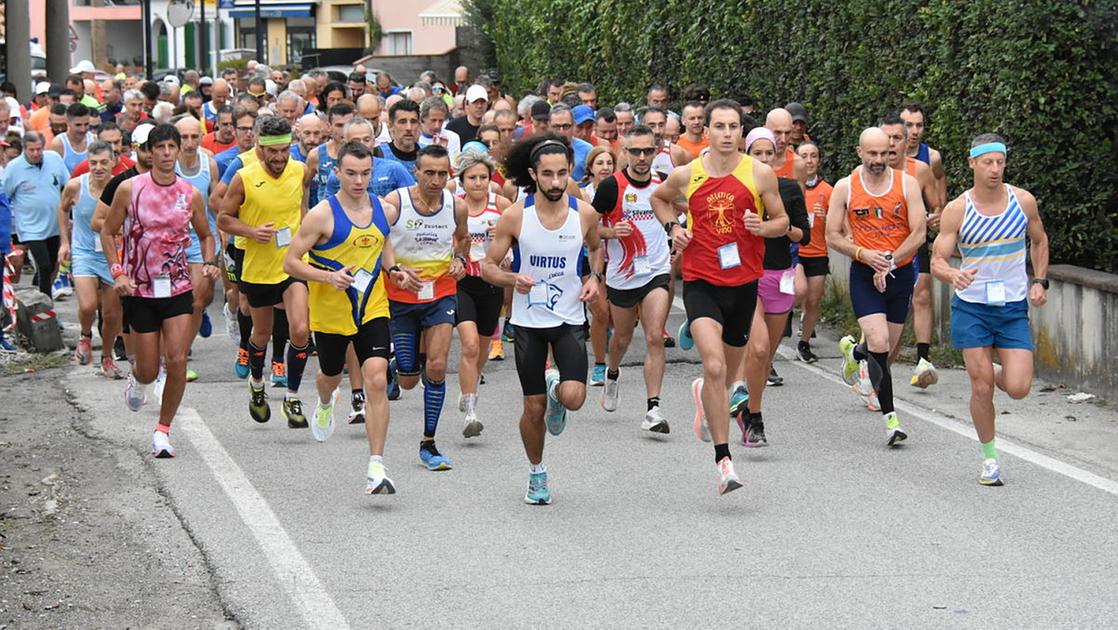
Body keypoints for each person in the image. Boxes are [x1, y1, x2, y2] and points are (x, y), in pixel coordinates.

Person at [651, 99, 788, 495]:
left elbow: (782, 222)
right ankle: (724, 461)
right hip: (701, 281)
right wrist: (673, 227)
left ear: (741, 133)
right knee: (713, 366)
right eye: (720, 126)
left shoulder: (760, 174)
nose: (727, 134)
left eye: (734, 127)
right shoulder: (686, 173)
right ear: (706, 131)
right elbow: (659, 199)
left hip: (743, 285)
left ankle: (706, 397)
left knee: (726, 379)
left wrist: (761, 227)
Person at [481, 134, 602, 504]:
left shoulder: (585, 213)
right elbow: (487, 267)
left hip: (567, 317)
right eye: (547, 174)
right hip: (529, 321)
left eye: (562, 173)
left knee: (575, 397)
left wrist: (593, 278)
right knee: (532, 409)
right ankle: (537, 473)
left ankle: (557, 392)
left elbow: (596, 249)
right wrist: (511, 278)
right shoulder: (516, 215)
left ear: (570, 173)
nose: (554, 182)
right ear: (533, 174)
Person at [931, 134, 1048, 486]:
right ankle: (990, 459)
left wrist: (1040, 280)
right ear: (972, 164)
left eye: (1000, 162)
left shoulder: (1022, 202)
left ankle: (997, 369)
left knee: (1018, 387)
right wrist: (953, 273)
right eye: (987, 162)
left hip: (1011, 307)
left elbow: (1040, 241)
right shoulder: (958, 209)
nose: (995, 169)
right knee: (981, 387)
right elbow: (937, 259)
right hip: (972, 308)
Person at [283, 140, 398, 494]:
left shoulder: (383, 208)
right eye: (351, 173)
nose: (358, 181)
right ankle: (323, 401)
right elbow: (290, 262)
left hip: (372, 307)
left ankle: (375, 466)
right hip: (331, 311)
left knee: (377, 378)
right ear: (337, 173)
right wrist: (327, 277)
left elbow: (384, 246)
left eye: (365, 173)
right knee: (330, 376)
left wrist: (396, 272)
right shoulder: (321, 214)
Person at [100, 123, 219, 458]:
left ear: (179, 151)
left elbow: (206, 233)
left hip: (179, 288)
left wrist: (209, 262)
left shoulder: (189, 193)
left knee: (177, 359)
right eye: (161, 148)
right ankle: (138, 380)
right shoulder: (130, 189)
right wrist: (118, 271)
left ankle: (163, 431)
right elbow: (108, 233)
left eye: (172, 147)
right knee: (149, 369)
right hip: (140, 289)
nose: (167, 154)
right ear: (149, 152)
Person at [826, 127, 927, 446]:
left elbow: (919, 233)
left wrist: (890, 260)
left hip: (899, 273)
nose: (879, 160)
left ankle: (854, 352)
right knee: (880, 341)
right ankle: (891, 419)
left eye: (885, 153)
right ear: (859, 152)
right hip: (864, 274)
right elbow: (832, 236)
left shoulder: (907, 184)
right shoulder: (846, 187)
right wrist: (863, 254)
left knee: (886, 349)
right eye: (872, 154)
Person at [218, 116, 312, 428]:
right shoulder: (244, 178)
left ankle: (293, 397)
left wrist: (306, 237)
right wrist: (251, 230)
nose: (280, 158)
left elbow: (302, 208)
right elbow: (223, 219)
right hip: (258, 268)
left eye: (285, 150)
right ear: (260, 148)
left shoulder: (300, 171)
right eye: (273, 152)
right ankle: (257, 384)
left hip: (293, 263)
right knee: (261, 333)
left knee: (300, 330)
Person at [382, 145, 469, 470]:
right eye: (428, 173)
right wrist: (396, 272)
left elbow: (462, 238)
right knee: (408, 379)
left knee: (436, 366)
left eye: (442, 174)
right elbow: (380, 242)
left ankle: (429, 443)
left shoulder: (456, 205)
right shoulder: (395, 203)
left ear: (450, 175)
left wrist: (460, 260)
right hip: (402, 296)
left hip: (441, 293)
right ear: (415, 172)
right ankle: (397, 369)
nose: (435, 180)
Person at [727, 127, 811, 446]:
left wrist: (780, 228)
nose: (763, 159)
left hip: (782, 275)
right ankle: (744, 405)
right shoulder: (735, 188)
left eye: (768, 153)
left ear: (777, 156)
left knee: (764, 356)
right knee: (758, 346)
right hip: (747, 275)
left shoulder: (788, 188)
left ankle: (752, 413)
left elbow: (805, 235)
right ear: (746, 155)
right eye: (756, 153)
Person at [592, 125, 674, 433]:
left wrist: (678, 231)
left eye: (647, 151)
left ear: (656, 151)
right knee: (622, 340)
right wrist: (611, 232)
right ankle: (612, 372)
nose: (641, 157)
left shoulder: (663, 184)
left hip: (656, 270)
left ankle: (653, 408)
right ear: (625, 152)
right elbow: (589, 227)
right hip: (623, 275)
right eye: (635, 151)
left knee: (654, 336)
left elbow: (677, 212)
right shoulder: (612, 186)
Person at [453, 150, 511, 438]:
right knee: (470, 346)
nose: (478, 183)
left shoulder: (501, 205)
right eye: (472, 178)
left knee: (483, 349)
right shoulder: (453, 205)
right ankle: (471, 412)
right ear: (462, 181)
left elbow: (516, 242)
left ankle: (469, 387)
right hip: (462, 282)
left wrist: (502, 242)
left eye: (483, 178)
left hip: (492, 282)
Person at [56, 141, 125, 377]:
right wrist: (65, 242)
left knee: (111, 314)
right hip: (84, 251)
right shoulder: (76, 186)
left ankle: (107, 357)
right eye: (93, 163)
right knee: (87, 304)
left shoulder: (121, 188)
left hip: (112, 254)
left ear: (113, 162)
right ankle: (85, 335)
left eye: (104, 162)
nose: (98, 168)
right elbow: (63, 209)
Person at [174, 115, 221, 376]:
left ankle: (184, 343)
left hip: (201, 237)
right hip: (173, 239)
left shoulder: (209, 164)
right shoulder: (167, 165)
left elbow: (214, 203)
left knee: (199, 297)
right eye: (184, 137)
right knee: (181, 297)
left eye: (195, 136)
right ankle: (182, 352)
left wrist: (222, 235)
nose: (190, 143)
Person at [3, 131, 69, 296]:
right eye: (31, 150)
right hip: (30, 227)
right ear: (24, 149)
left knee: (51, 265)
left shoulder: (54, 158)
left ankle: (36, 293)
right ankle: (47, 308)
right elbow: (5, 196)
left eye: (39, 149)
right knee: (44, 265)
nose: (35, 153)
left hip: (54, 224)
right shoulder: (14, 168)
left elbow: (66, 186)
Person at [793, 141, 831, 363]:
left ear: (819, 160)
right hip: (795, 252)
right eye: (804, 156)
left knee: (814, 300)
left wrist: (826, 218)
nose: (809, 160)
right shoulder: (789, 185)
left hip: (817, 252)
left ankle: (804, 343)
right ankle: (783, 317)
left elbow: (840, 226)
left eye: (813, 156)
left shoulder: (828, 190)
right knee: (799, 292)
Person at [49, 102, 95, 174]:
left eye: (86, 124)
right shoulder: (58, 144)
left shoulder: (94, 140)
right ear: (68, 122)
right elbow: (53, 173)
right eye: (78, 125)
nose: (83, 129)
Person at [764, 108, 808, 183]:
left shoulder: (798, 165)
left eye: (787, 133)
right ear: (765, 129)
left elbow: (800, 194)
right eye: (777, 132)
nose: (783, 140)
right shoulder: (752, 162)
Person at [380, 100, 421, 177]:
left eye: (413, 122)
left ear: (419, 125)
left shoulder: (428, 154)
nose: (409, 128)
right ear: (391, 126)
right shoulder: (379, 155)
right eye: (402, 122)